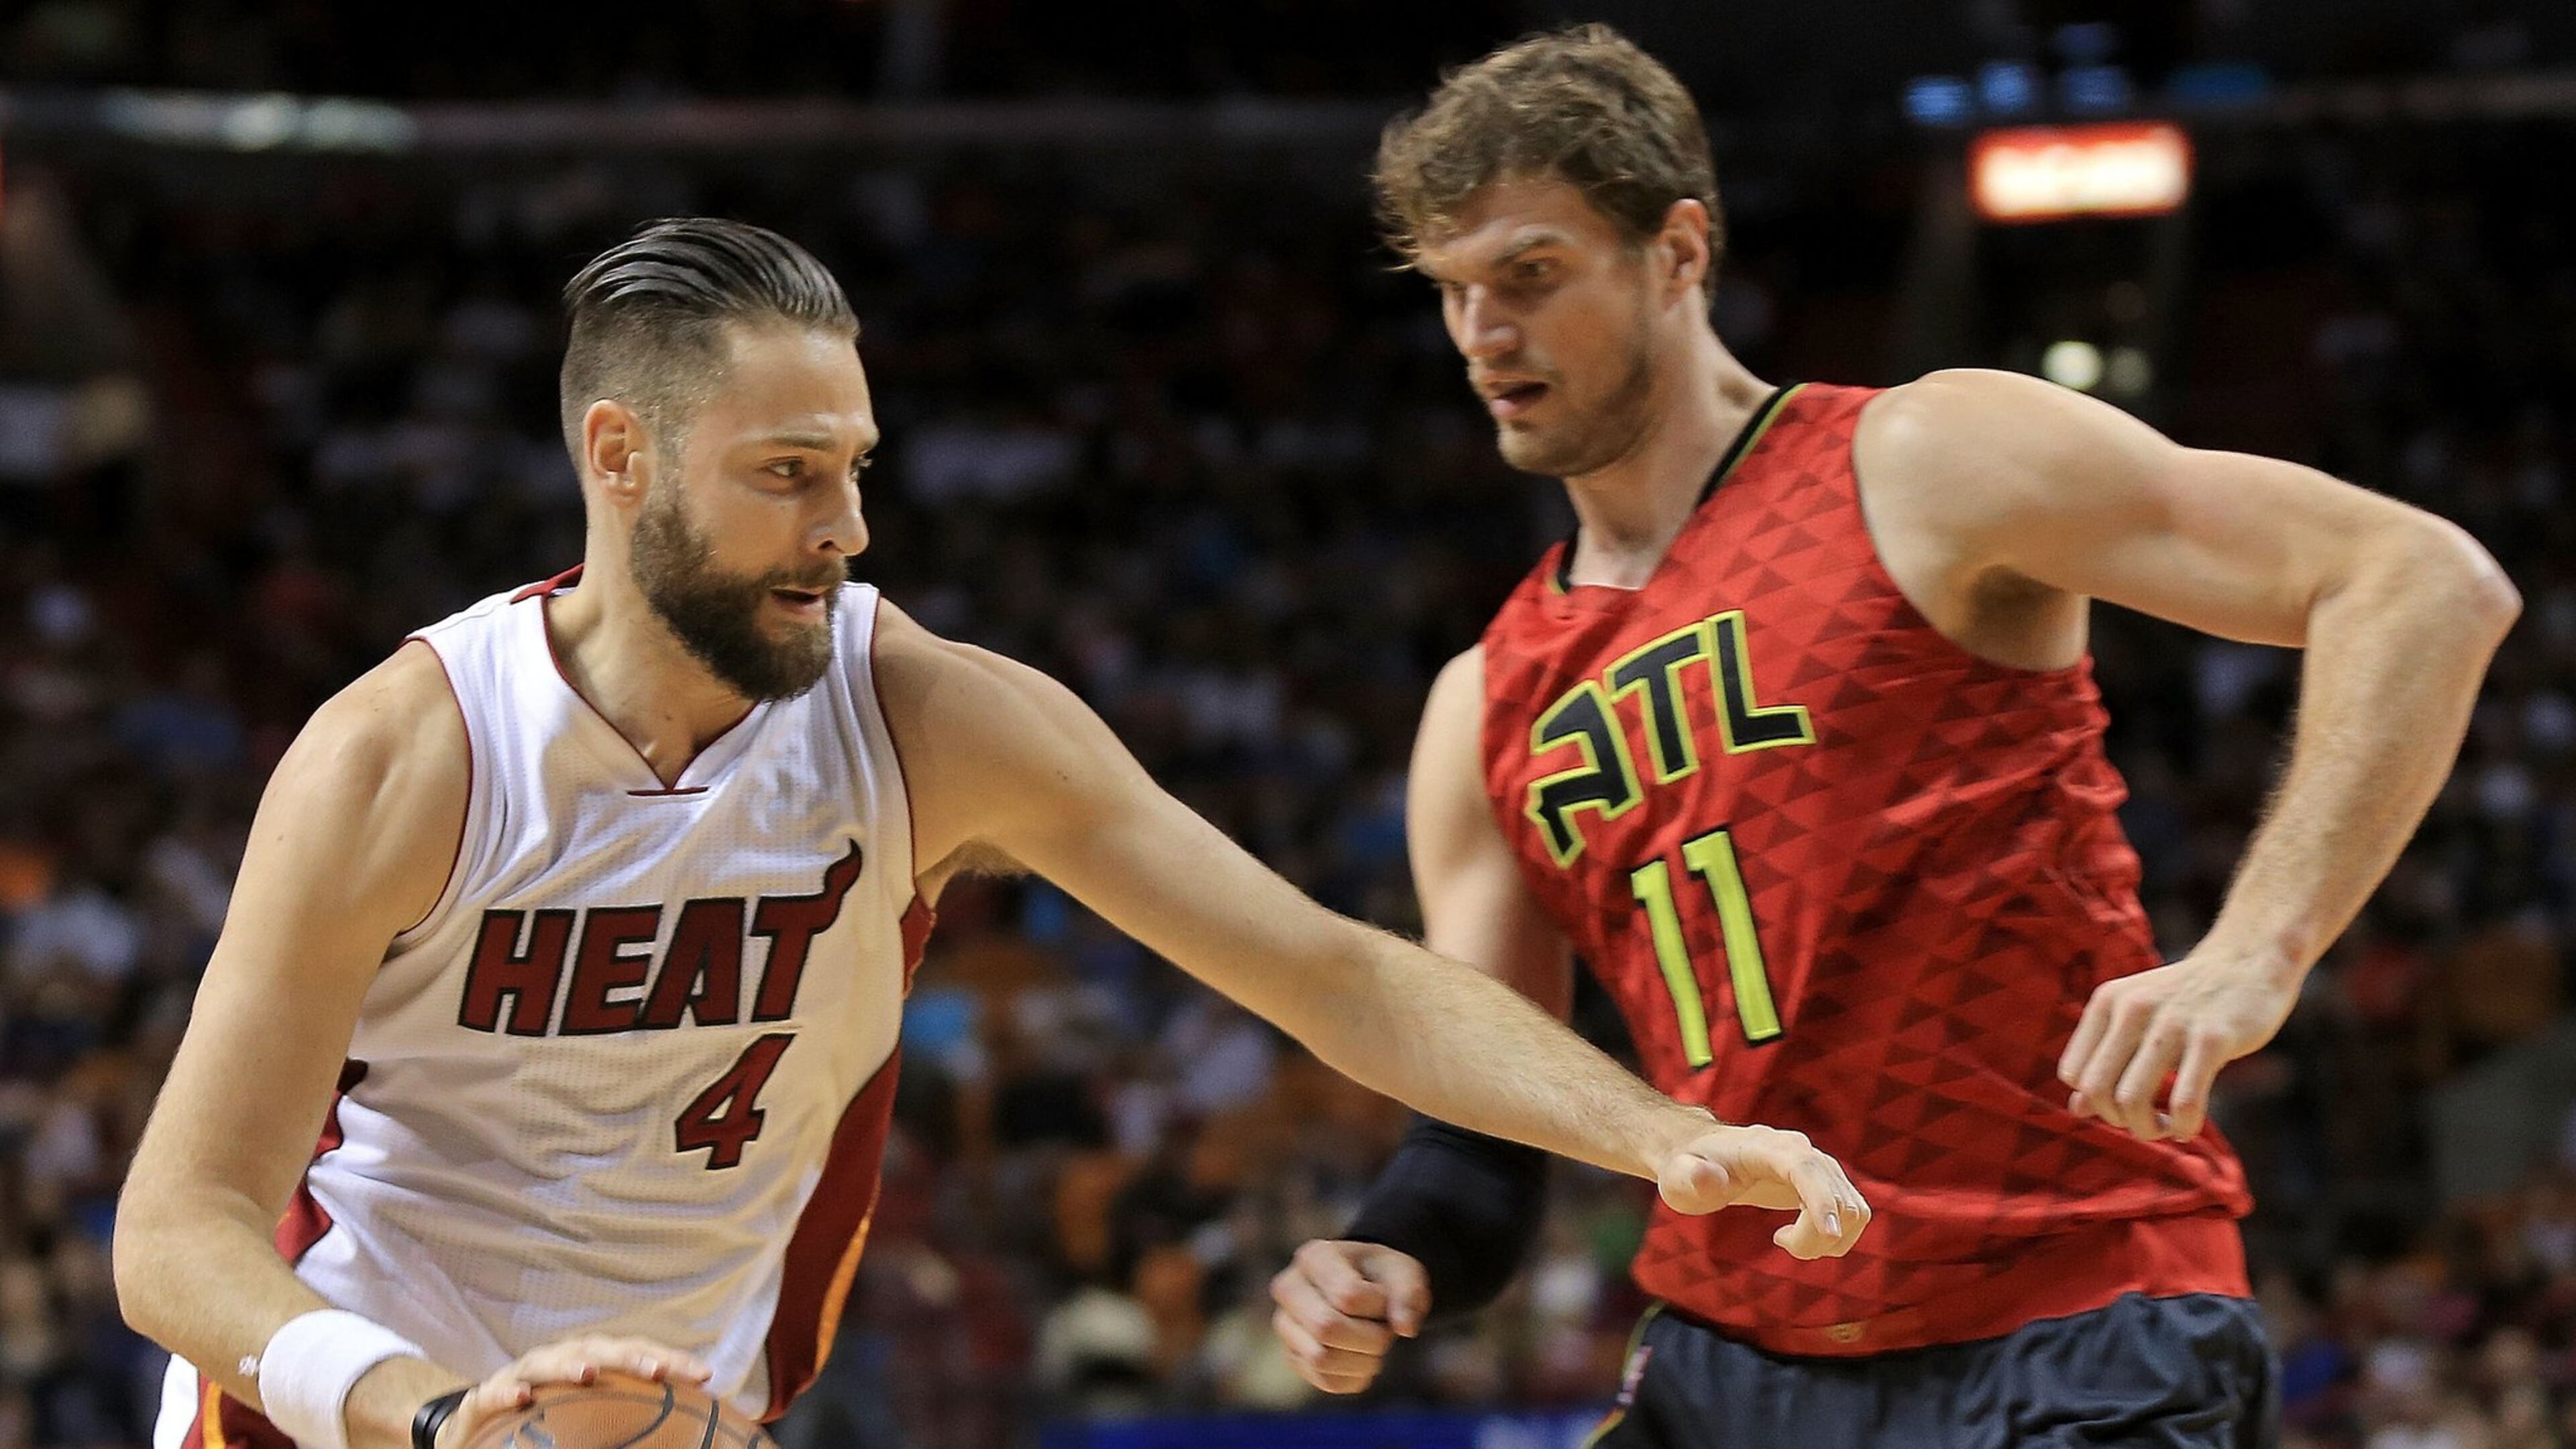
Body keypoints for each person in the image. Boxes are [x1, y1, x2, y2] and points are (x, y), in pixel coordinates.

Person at [111, 218, 1872, 1449]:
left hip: (682, 1427)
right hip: (349, 1420)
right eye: (788, 475)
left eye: (858, 469)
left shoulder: (927, 721)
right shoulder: (402, 757)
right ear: (621, 456)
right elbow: (175, 1232)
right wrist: (434, 1419)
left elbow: (1335, 977)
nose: (848, 527)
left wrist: (1660, 1130)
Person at [1269, 25, 2519, 1447]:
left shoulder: (1920, 464)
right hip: (1729, 1361)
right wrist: (1393, 1251)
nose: (1486, 333)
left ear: (1678, 253)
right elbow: (1484, 1117)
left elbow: (2420, 582)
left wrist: (2258, 946)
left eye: (1533, 276)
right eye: (1455, 290)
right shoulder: (1481, 701)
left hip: (2073, 1317)